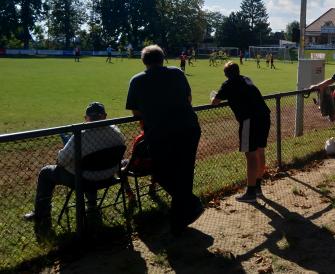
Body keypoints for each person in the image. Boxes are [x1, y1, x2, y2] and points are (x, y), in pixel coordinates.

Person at [126, 45, 203, 234]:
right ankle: (181, 219)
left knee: (160, 171)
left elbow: (136, 112)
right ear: (163, 58)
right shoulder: (177, 73)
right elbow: (189, 98)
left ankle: (188, 209)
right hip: (188, 128)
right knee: (184, 171)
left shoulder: (137, 80)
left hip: (161, 133)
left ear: (144, 61)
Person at [24, 102, 125, 229]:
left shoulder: (80, 135)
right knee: (92, 164)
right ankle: (92, 204)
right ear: (105, 116)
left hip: (84, 180)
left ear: (86, 118)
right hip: (109, 176)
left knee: (45, 172)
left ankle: (41, 213)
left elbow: (61, 160)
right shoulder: (116, 131)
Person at [211, 62, 271, 203]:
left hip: (249, 120)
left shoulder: (228, 84)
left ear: (226, 74)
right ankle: (257, 187)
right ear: (238, 71)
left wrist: (213, 95)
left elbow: (215, 101)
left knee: (250, 155)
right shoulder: (247, 79)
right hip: (264, 117)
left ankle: (250, 193)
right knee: (260, 151)